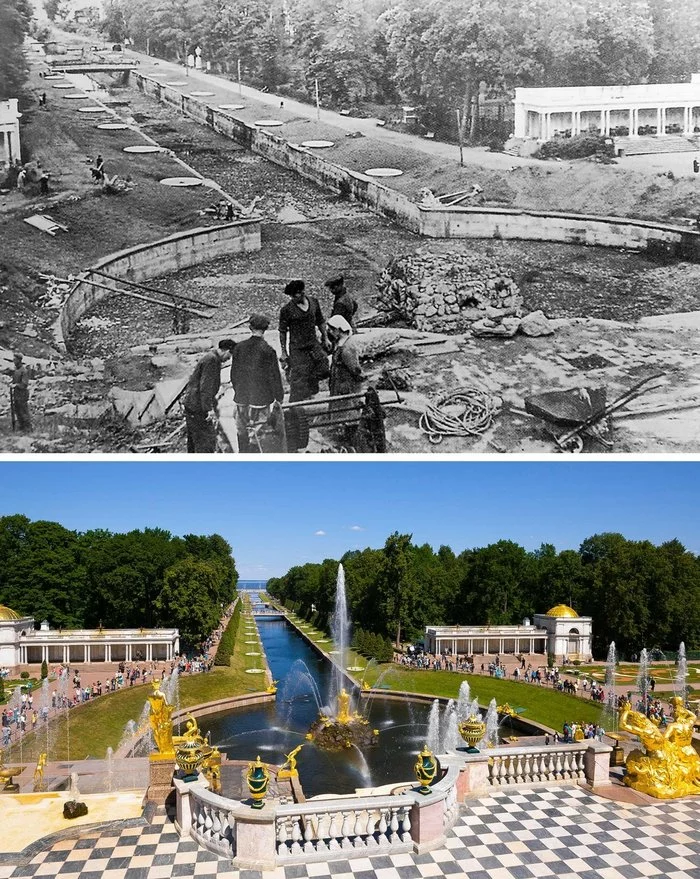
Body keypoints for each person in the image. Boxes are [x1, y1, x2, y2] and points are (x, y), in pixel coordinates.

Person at [230, 313, 284, 452]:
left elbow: (233, 374)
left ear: (250, 327)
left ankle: (243, 455)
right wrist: (279, 397)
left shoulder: (239, 348)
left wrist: (238, 390)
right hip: (260, 399)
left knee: (241, 429)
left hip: (241, 397)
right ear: (265, 329)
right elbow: (274, 377)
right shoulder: (268, 351)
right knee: (258, 433)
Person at [278, 280, 329, 402]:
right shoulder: (287, 310)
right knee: (299, 376)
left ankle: (311, 392)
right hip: (297, 348)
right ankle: (297, 403)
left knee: (323, 368)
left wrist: (325, 337)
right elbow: (282, 331)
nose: (296, 297)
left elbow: (321, 321)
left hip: (312, 344)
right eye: (293, 295)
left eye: (298, 294)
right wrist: (284, 352)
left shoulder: (313, 302)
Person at [182, 339, 235, 452]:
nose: (228, 359)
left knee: (194, 441)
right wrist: (209, 410)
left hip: (192, 405)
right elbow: (205, 388)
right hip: (198, 408)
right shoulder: (212, 360)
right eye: (229, 356)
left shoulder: (210, 357)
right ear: (226, 351)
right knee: (205, 442)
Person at [8, 352, 31, 432]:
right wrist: (11, 382)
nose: (13, 361)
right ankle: (21, 427)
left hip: (22, 394)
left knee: (23, 411)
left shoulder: (24, 371)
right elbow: (15, 380)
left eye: (15, 359)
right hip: (16, 394)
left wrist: (16, 385)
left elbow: (24, 384)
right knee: (18, 411)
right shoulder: (16, 370)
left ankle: (27, 428)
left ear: (19, 360)